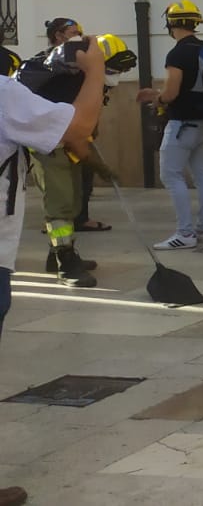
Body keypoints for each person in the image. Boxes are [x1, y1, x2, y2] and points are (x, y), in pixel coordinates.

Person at [1, 26, 106, 325]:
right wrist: (95, 69)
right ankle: (64, 259)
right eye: (70, 33)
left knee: (72, 203)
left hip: (62, 142)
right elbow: (76, 124)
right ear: (57, 36)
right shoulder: (31, 72)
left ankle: (59, 253)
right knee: (59, 204)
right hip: (50, 145)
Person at [138, 0, 203, 250]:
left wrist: (157, 98)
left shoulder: (177, 53)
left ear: (171, 24)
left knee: (170, 175)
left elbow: (172, 93)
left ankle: (184, 233)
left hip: (182, 123)